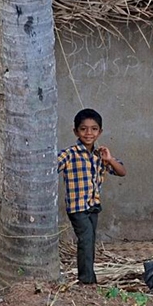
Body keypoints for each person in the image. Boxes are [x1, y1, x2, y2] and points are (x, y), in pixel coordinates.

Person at [57, 109, 127, 284]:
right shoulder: (69, 154)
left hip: (93, 206)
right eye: (83, 129)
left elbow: (122, 172)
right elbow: (50, 167)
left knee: (89, 241)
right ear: (75, 131)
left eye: (94, 129)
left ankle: (89, 277)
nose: (89, 133)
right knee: (86, 239)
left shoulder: (100, 155)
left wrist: (109, 160)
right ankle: (86, 281)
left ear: (100, 132)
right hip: (77, 207)